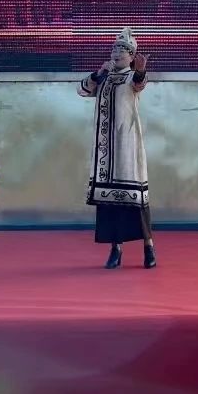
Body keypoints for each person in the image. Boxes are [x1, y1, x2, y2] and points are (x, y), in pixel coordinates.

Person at [80, 27, 155, 269]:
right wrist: (98, 73)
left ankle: (148, 247)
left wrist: (140, 70)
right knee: (109, 200)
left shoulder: (131, 77)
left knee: (136, 198)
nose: (117, 53)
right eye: (114, 49)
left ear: (132, 56)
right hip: (105, 150)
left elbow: (140, 83)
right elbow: (82, 90)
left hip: (126, 147)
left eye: (123, 50)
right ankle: (116, 248)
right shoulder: (104, 78)